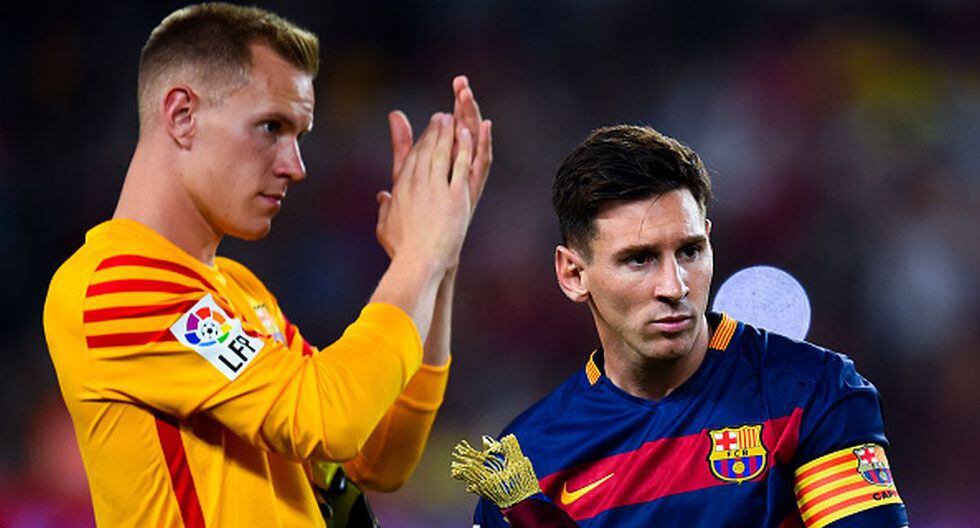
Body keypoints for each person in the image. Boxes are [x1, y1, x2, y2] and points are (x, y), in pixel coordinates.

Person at [42, 3, 491, 527]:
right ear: (182, 115)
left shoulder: (239, 289)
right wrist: (418, 256)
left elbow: (377, 456)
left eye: (299, 135)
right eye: (271, 127)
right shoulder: (115, 285)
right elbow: (327, 419)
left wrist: (441, 258)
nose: (295, 167)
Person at [466, 125, 906, 527]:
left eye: (690, 252)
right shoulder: (528, 463)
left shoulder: (812, 392)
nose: (674, 286)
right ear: (573, 274)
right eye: (639, 259)